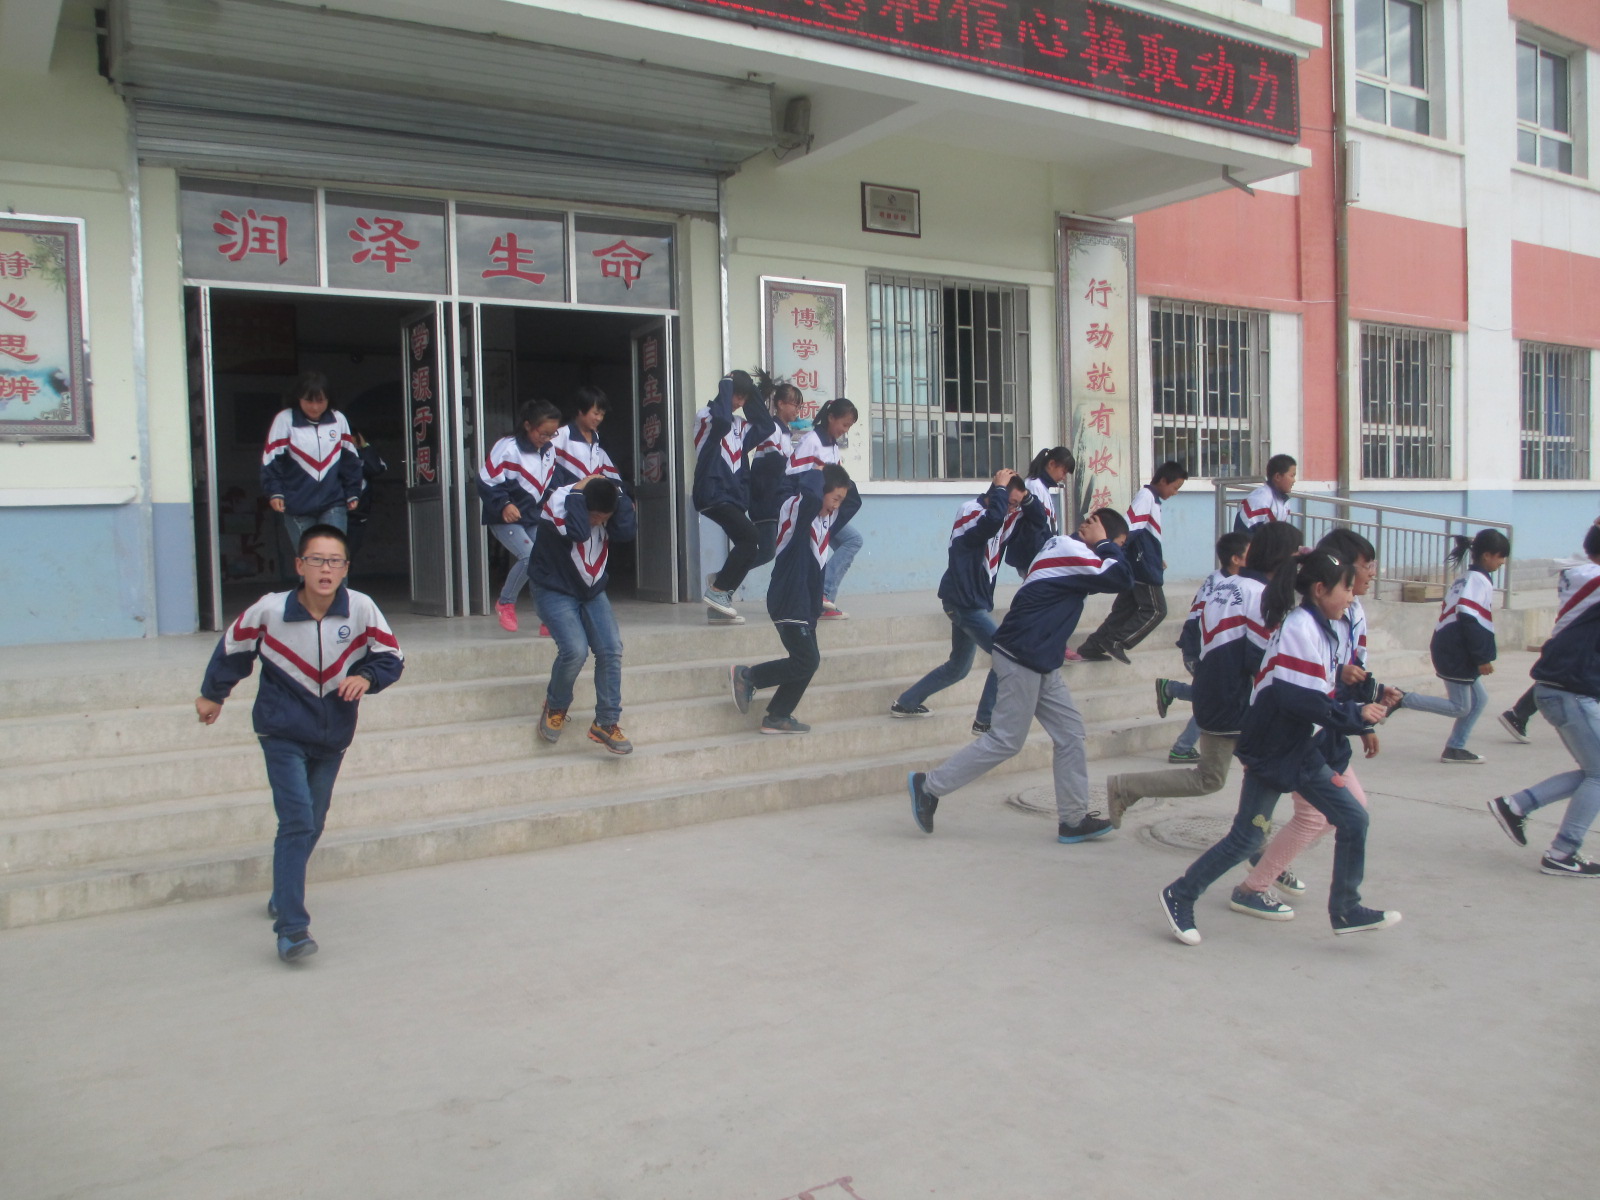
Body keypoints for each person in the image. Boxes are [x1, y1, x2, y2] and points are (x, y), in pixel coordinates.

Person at [1159, 547, 1400, 945]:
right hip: (1272, 747)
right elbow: (1301, 700)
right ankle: (1180, 894)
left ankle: (1345, 909)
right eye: (1346, 589)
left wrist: (1369, 698)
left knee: (1354, 818)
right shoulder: (1300, 629)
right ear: (1320, 589)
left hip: (1300, 745)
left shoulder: (1324, 628)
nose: (1351, 597)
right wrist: (1357, 717)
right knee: (1246, 839)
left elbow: (1326, 688)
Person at [194, 524, 404, 963]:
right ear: (299, 565)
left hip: (333, 735)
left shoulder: (361, 608)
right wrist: (214, 694)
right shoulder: (270, 610)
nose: (325, 569)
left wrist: (366, 677)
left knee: (315, 819)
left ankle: (282, 890)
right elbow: (233, 649)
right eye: (316, 560)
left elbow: (391, 658)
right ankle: (291, 928)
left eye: (334, 561)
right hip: (282, 731)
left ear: (345, 569)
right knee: (296, 821)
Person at [906, 507, 1131, 845]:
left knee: (1070, 734)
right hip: (1022, 654)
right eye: (1119, 544)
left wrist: (1105, 545)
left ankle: (1073, 820)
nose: (1117, 551)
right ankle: (929, 786)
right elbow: (1120, 578)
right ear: (1100, 533)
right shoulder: (1072, 549)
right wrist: (1104, 544)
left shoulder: (1067, 550)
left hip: (1040, 658)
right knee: (1006, 740)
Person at [1230, 529, 1402, 918]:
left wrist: (1371, 702)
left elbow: (1346, 671)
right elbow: (1305, 684)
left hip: (1327, 725)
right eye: (1365, 566)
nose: (1371, 573)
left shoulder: (1348, 611)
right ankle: (1253, 882)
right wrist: (1355, 713)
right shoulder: (1307, 619)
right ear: (1333, 576)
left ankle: (1265, 871)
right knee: (1313, 817)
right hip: (1303, 731)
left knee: (1345, 812)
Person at [1105, 522, 1301, 828]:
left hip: (1217, 690)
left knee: (1260, 770)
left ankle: (1251, 836)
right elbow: (1261, 660)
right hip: (1230, 699)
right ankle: (1126, 787)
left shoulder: (1229, 585)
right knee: (1212, 778)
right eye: (1295, 555)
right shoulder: (1260, 595)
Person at [889, 469, 1045, 733]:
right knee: (1006, 654)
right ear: (995, 493)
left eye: (1016, 505)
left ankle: (906, 703)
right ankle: (985, 720)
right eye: (1010, 502)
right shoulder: (971, 510)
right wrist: (1000, 489)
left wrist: (1025, 497)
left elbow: (1039, 519)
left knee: (958, 667)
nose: (1012, 509)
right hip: (963, 601)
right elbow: (991, 522)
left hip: (975, 601)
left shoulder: (1005, 514)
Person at [1488, 524, 1600, 877]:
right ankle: (1562, 851)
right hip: (1571, 690)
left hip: (1560, 687)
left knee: (1594, 773)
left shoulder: (1580, 575)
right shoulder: (1593, 579)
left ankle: (1516, 806)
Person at [731, 463, 861, 734]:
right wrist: (817, 472)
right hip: (789, 597)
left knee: (808, 661)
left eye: (840, 500)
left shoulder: (826, 520)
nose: (837, 506)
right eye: (834, 498)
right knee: (807, 660)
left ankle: (778, 716)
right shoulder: (797, 511)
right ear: (821, 490)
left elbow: (854, 502)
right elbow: (811, 495)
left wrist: (838, 477)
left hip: (806, 604)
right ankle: (748, 676)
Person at [531, 475, 637, 755]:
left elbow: (626, 531)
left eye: (604, 518)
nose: (598, 522)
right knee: (575, 651)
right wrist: (578, 495)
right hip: (553, 588)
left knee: (611, 649)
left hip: (591, 590)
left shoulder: (608, 504)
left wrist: (620, 497)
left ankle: (606, 722)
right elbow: (577, 531)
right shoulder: (559, 502)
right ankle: (556, 705)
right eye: (595, 516)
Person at [1393, 529, 1510, 764]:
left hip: (1451, 646)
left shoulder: (1467, 578)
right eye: (1500, 556)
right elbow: (1469, 619)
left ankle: (1455, 748)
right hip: (1455, 650)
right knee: (1460, 707)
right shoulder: (1477, 581)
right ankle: (1401, 699)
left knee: (1479, 700)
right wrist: (1482, 658)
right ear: (1487, 555)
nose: (1503, 562)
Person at [1077, 461, 1188, 663]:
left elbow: (1146, 534)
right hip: (1142, 567)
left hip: (1142, 562)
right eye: (1175, 487)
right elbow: (1130, 530)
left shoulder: (1153, 500)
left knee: (1124, 610)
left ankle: (1091, 647)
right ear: (1163, 481)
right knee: (1156, 610)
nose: (1175, 492)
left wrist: (1157, 557)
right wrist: (1118, 556)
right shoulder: (1146, 497)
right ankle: (1117, 642)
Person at [1156, 531, 1250, 764]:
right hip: (1200, 650)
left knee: (1211, 695)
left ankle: (1172, 689)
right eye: (1251, 554)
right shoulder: (1224, 585)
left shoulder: (1223, 579)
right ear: (1235, 559)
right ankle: (1182, 748)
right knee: (1213, 698)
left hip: (1202, 648)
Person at [261, 372, 361, 576]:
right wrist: (275, 492)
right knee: (310, 564)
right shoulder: (285, 420)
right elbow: (271, 460)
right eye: (309, 400)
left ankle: (338, 599)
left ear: (328, 399)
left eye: (320, 401)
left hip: (333, 501)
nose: (315, 407)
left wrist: (353, 491)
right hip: (296, 504)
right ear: (298, 397)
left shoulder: (338, 419)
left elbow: (350, 459)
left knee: (336, 560)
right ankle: (309, 599)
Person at [479, 399, 562, 633]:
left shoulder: (549, 450)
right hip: (504, 517)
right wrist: (504, 504)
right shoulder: (508, 447)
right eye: (543, 433)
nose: (547, 438)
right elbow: (487, 480)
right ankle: (505, 602)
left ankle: (548, 619)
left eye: (552, 434)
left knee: (544, 561)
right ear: (527, 425)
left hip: (532, 516)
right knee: (530, 557)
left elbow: (550, 483)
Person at [786, 398, 860, 619]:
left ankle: (822, 597)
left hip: (828, 513)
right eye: (844, 424)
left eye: (849, 427)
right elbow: (792, 475)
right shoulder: (811, 441)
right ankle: (820, 596)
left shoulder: (832, 445)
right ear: (831, 417)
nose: (845, 430)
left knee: (852, 541)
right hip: (811, 512)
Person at [694, 371, 759, 623]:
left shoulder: (741, 425)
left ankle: (719, 603)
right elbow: (721, 421)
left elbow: (765, 426)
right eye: (736, 396)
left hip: (732, 496)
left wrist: (752, 391)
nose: (739, 403)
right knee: (750, 537)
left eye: (744, 399)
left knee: (751, 547)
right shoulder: (706, 415)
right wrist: (727, 384)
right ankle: (718, 589)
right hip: (711, 492)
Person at [745, 379, 805, 571]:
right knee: (767, 552)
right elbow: (775, 464)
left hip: (777, 501)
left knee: (772, 551)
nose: (798, 410)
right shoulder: (772, 429)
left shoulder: (785, 433)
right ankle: (723, 579)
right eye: (795, 405)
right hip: (766, 500)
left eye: (800, 406)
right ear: (780, 404)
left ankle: (724, 580)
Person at [549, 385, 622, 489]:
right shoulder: (561, 435)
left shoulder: (597, 438)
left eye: (602, 414)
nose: (599, 418)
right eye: (596, 413)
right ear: (580, 410)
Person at [344, 429, 387, 568]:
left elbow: (376, 468)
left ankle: (342, 581)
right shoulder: (335, 456)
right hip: (336, 512)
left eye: (353, 440)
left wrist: (365, 446)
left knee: (349, 555)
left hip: (357, 517)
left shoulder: (363, 457)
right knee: (335, 555)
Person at [1233, 453, 1296, 534]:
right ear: (1278, 477)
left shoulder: (1283, 500)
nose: (1294, 480)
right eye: (1292, 476)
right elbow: (1243, 535)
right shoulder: (1260, 500)